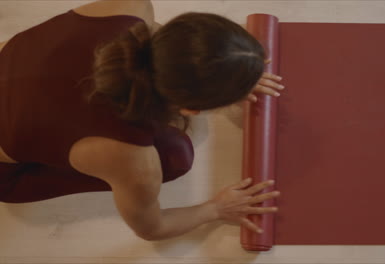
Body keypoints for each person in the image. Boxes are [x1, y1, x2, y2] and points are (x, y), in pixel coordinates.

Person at [0, 0, 284, 241]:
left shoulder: (131, 6)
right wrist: (217, 209)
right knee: (175, 156)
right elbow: (152, 227)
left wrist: (232, 70)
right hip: (8, 176)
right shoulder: (130, 158)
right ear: (190, 110)